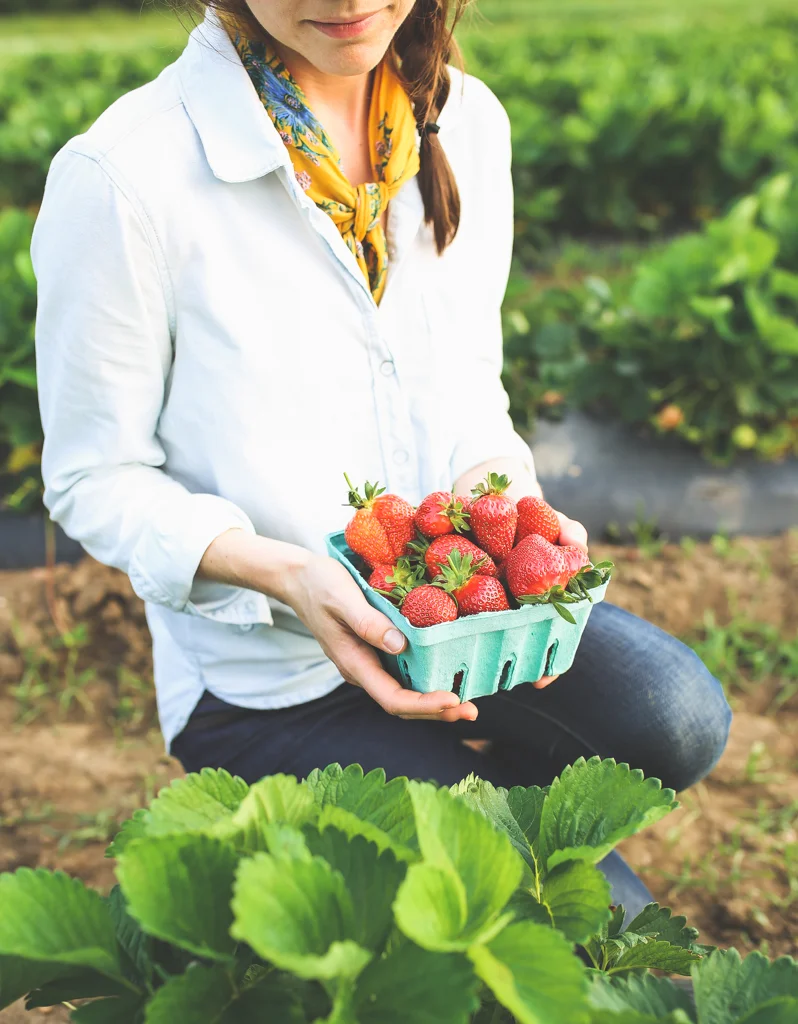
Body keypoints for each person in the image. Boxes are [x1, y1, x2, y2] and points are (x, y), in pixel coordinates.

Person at [32, 0, 731, 916]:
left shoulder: (465, 121)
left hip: (458, 636)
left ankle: (463, 815)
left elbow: (471, 392)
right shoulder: (125, 176)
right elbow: (94, 478)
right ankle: (429, 848)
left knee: (678, 716)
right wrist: (291, 576)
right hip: (273, 679)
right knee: (587, 943)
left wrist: (510, 505)